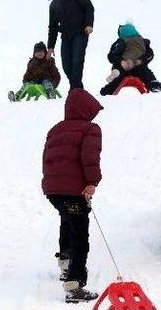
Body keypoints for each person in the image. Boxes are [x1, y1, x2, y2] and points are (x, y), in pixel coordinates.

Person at [42, 88, 102, 303]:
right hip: (74, 190)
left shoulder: (55, 130)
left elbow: (46, 158)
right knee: (79, 235)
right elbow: (90, 157)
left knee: (66, 220)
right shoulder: (90, 129)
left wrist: (50, 184)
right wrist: (91, 182)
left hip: (54, 191)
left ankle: (65, 264)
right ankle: (74, 285)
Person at [46, 0, 94, 91]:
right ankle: (78, 89)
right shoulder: (53, 4)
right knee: (66, 65)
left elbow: (88, 7)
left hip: (80, 32)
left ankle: (75, 91)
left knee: (77, 62)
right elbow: (53, 26)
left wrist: (89, 24)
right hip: (66, 36)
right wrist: (51, 46)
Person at [99, 21, 161, 95]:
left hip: (123, 68)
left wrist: (121, 61)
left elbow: (111, 56)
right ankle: (154, 85)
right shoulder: (143, 42)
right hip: (137, 68)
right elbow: (150, 55)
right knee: (146, 72)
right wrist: (141, 60)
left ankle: (107, 90)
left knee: (118, 78)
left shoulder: (120, 42)